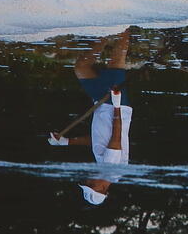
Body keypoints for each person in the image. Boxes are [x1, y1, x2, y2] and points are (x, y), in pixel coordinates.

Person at [47, 31, 132, 205]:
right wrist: (116, 104)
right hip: (115, 107)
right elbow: (116, 137)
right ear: (102, 189)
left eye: (86, 183)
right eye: (90, 185)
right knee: (115, 62)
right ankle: (124, 25)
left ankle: (104, 34)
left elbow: (96, 142)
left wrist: (67, 142)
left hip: (102, 105)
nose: (88, 181)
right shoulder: (112, 171)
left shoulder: (103, 169)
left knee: (82, 67)